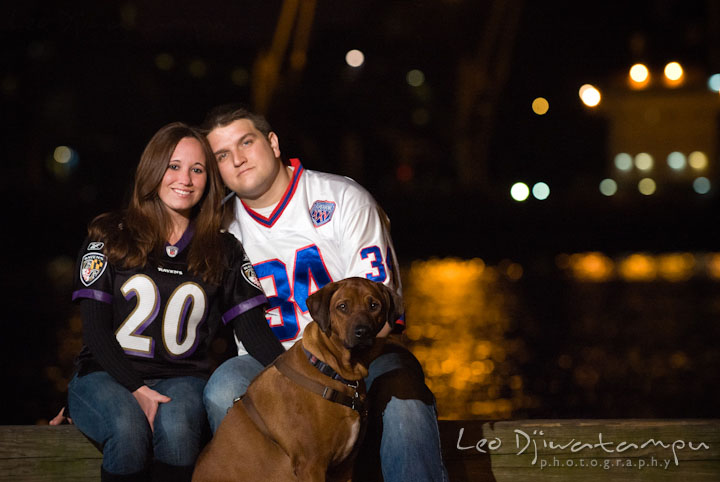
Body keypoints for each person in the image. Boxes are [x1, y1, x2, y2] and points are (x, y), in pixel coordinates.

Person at [201, 105, 449, 482]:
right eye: (222, 155)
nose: (237, 160)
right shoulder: (217, 226)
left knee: (405, 405)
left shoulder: (343, 198)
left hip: (360, 352)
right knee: (223, 387)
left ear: (273, 142)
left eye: (246, 142)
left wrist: (333, 372)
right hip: (269, 361)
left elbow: (383, 320)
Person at [65, 122, 284, 482]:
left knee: (181, 433)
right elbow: (95, 335)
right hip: (106, 374)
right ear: (153, 169)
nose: (185, 178)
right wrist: (136, 389)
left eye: (197, 169)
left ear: (208, 180)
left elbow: (254, 331)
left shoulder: (222, 248)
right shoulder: (110, 236)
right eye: (174, 166)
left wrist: (303, 379)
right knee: (126, 428)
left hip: (182, 377)